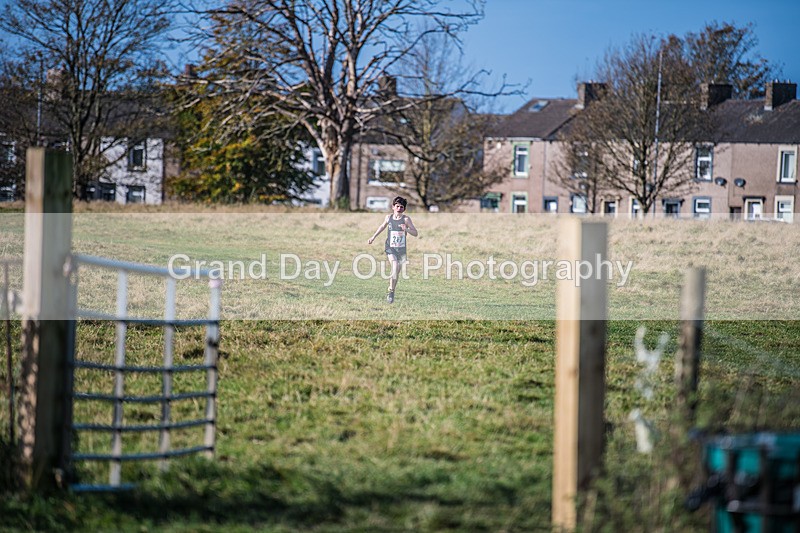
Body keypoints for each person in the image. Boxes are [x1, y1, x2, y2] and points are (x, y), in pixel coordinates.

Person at [367, 196, 418, 303]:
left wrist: (406, 229)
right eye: (397, 206)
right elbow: (382, 227)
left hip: (401, 250)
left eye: (402, 207)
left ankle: (392, 290)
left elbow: (415, 233)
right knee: (395, 265)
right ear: (393, 207)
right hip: (390, 247)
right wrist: (373, 237)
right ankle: (390, 292)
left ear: (404, 209)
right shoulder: (388, 217)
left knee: (396, 272)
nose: (399, 208)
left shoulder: (406, 219)